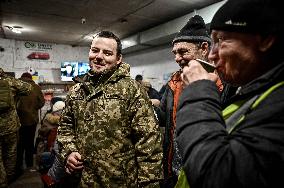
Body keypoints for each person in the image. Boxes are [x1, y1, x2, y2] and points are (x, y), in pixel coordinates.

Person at [176, 0, 284, 187]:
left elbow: (218, 175)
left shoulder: (278, 101)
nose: (212, 54)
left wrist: (198, 90)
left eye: (222, 40)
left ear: (265, 39)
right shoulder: (244, 88)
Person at [56, 31, 163, 187]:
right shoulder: (77, 90)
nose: (99, 56)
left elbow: (149, 142)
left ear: (118, 59)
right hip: (81, 180)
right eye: (95, 50)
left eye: (107, 53)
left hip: (119, 182)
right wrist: (69, 151)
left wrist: (149, 184)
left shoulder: (132, 90)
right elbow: (65, 128)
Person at [157, 15, 223, 187]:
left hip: (207, 171)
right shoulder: (174, 81)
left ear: (204, 48)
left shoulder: (225, 82)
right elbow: (164, 116)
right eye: (174, 53)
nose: (177, 58)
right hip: (173, 170)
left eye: (183, 51)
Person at [0, 68, 32, 187]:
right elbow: (28, 88)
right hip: (10, 128)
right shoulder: (9, 82)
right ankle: (9, 178)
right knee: (10, 155)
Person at [16, 72, 45, 172]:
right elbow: (42, 102)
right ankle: (29, 165)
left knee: (18, 144)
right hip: (31, 120)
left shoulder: (16, 85)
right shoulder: (35, 87)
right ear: (30, 78)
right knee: (29, 143)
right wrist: (33, 108)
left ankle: (18, 166)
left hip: (17, 120)